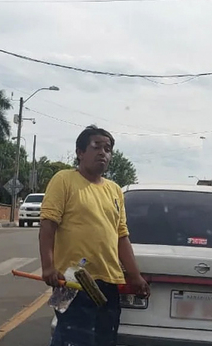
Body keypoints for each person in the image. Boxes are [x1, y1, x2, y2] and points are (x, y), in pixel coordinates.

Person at [39, 125, 149, 346]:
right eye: (96, 146)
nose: (103, 153)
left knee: (104, 340)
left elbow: (121, 237)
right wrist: (48, 267)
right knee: (72, 340)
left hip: (109, 283)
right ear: (80, 152)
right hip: (72, 282)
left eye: (108, 149)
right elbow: (48, 225)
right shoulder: (64, 180)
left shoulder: (115, 190)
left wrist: (135, 276)